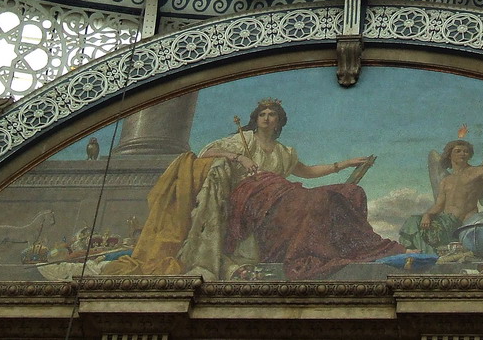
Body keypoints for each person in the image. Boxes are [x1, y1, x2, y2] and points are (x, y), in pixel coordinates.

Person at [105, 99, 403, 280]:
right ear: (255, 119)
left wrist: (345, 164)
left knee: (340, 195)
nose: (267, 118)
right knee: (297, 195)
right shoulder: (240, 140)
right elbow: (205, 154)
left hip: (281, 195)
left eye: (272, 114)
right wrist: (239, 157)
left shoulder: (285, 151)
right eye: (262, 114)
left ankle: (343, 247)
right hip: (250, 200)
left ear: (279, 122)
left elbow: (309, 172)